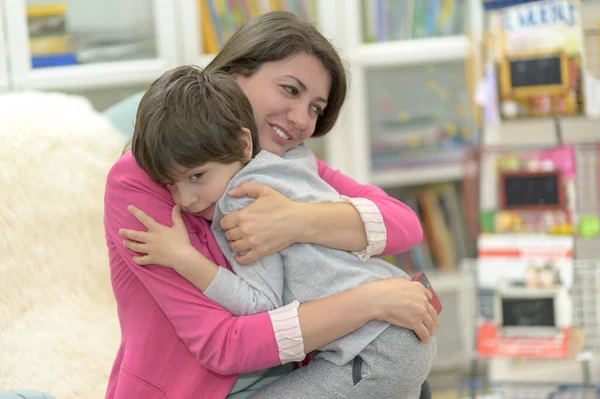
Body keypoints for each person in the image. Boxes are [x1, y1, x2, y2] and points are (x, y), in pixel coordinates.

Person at [104, 11, 439, 399]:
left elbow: (404, 224)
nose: (300, 119)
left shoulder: (282, 164)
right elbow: (221, 345)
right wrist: (369, 301)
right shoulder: (142, 179)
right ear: (233, 76)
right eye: (290, 90)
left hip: (304, 371)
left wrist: (298, 220)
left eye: (316, 107)